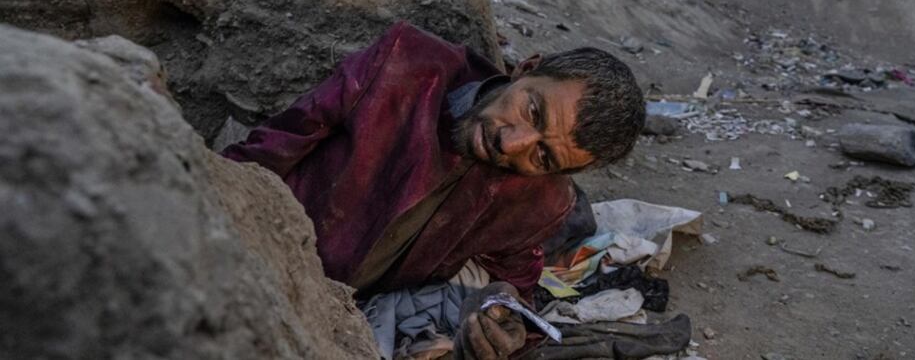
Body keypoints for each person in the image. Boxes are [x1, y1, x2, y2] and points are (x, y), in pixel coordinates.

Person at [223, 21, 645, 359]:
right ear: (526, 67)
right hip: (259, 254)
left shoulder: (543, 201)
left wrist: (501, 312)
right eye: (532, 110)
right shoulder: (405, 63)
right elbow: (268, 151)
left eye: (544, 157)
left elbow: (515, 288)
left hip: (341, 319)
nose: (511, 143)